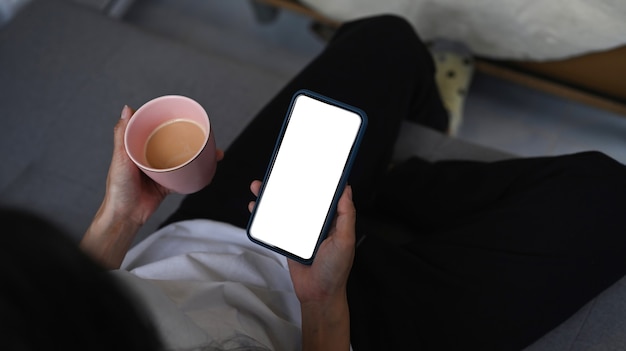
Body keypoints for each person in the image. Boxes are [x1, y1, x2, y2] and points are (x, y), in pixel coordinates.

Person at [4, 14, 626, 351]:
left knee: (385, 39)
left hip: (218, 235)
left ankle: (395, 175)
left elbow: (65, 299)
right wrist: (324, 302)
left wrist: (120, 220)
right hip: (337, 326)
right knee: (609, 200)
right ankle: (386, 181)